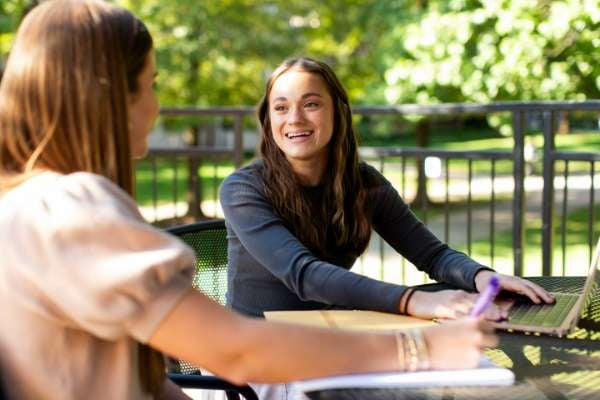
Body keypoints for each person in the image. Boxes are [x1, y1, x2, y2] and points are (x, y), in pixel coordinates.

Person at [0, 2, 497, 399]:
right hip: (268, 365)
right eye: (150, 85)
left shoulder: (37, 205)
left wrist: (478, 279)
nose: (157, 105)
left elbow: (144, 382)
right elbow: (236, 352)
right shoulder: (68, 212)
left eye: (311, 103)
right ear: (107, 98)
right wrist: (420, 347)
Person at [220, 56, 555, 321]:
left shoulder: (364, 182)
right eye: (281, 107)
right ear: (269, 121)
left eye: (311, 104)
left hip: (332, 331)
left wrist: (484, 278)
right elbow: (304, 275)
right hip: (257, 350)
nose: (294, 118)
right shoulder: (242, 190)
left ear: (338, 111)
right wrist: (413, 300)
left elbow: (432, 254)